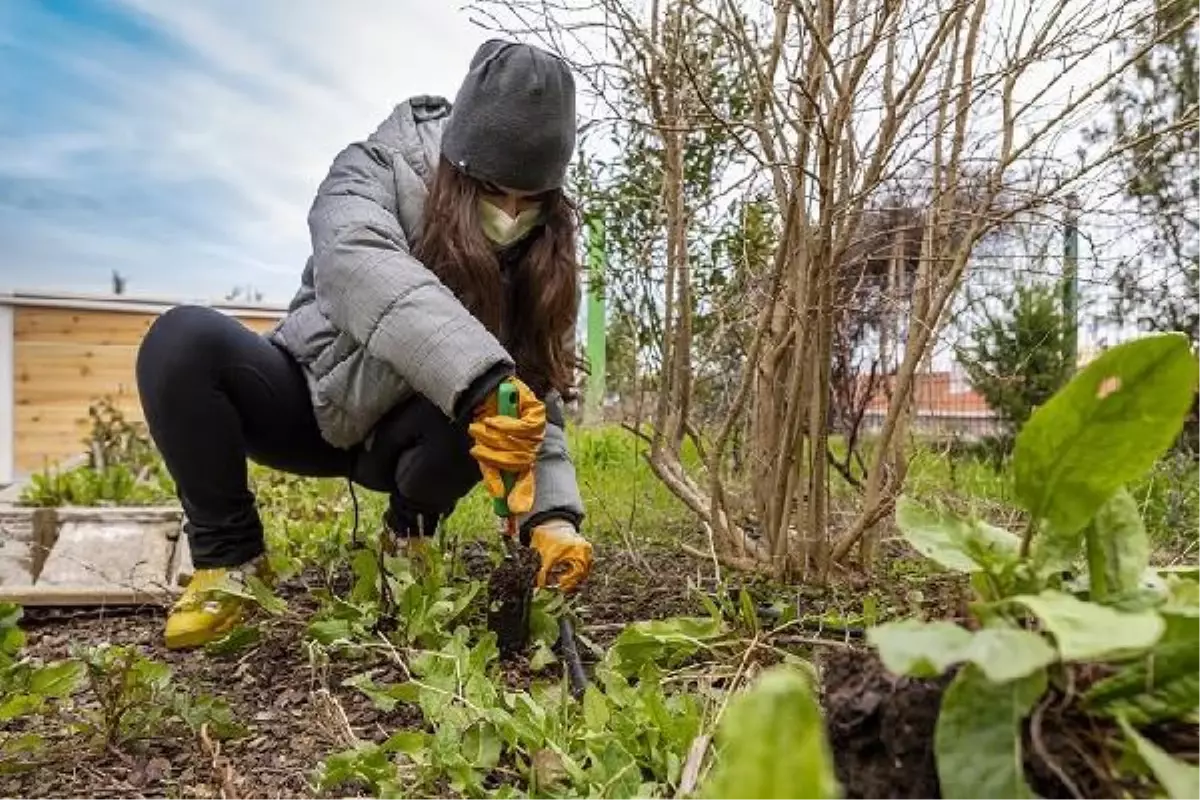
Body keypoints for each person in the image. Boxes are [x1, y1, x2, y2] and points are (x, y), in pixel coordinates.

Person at [135, 39, 594, 650]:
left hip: (417, 444)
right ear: (459, 167)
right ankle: (232, 561)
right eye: (493, 192)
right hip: (313, 399)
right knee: (181, 342)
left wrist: (554, 519)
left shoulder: (548, 254)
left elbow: (534, 399)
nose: (510, 214)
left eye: (529, 200)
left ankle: (408, 543)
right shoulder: (374, 168)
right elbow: (357, 265)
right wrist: (484, 377)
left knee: (497, 396)